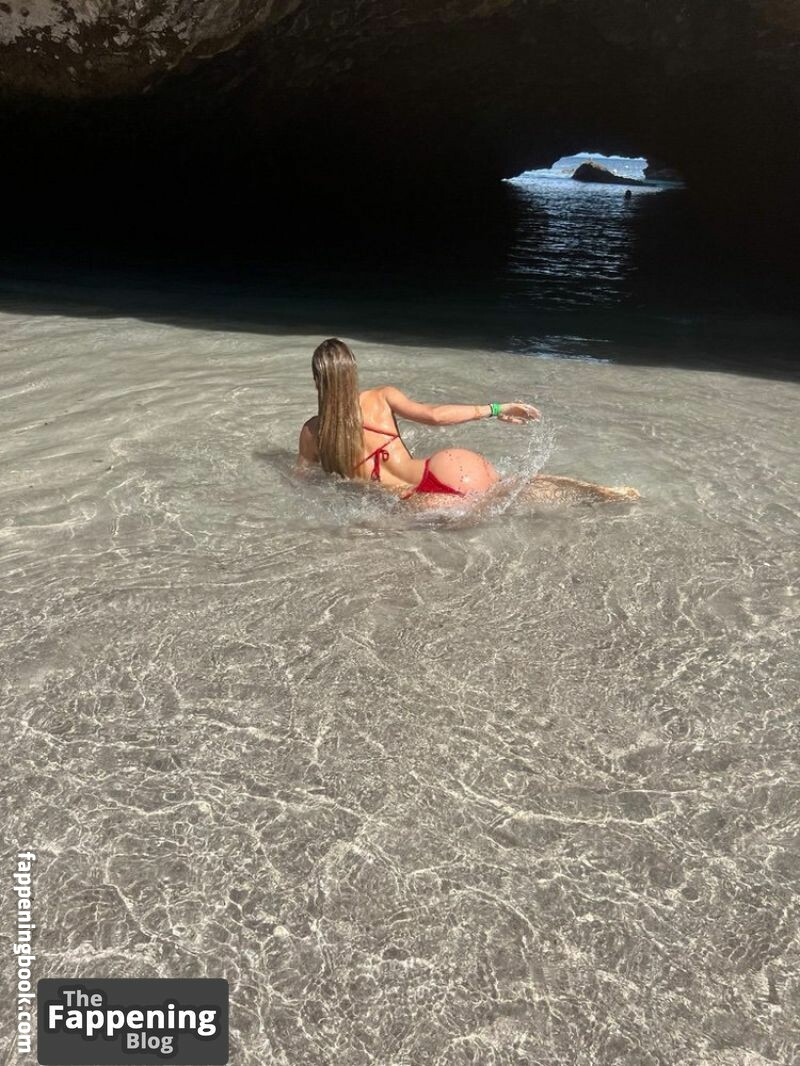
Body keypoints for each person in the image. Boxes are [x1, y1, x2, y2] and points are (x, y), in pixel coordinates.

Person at [298, 338, 639, 504]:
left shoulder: (313, 432)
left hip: (419, 500)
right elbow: (436, 416)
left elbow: (305, 483)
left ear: (317, 380)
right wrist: (495, 408)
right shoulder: (381, 396)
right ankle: (601, 492)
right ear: (352, 373)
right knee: (516, 486)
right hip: (449, 465)